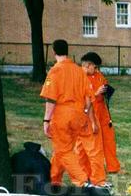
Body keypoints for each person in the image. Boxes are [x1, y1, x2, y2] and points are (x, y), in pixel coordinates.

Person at [40, 39, 106, 187]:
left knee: (64, 151)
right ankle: (54, 180)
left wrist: (46, 121)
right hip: (79, 116)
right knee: (61, 149)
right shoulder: (78, 70)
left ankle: (83, 181)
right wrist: (89, 118)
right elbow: (88, 98)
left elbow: (50, 99)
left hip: (63, 115)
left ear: (54, 52)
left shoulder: (55, 70)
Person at [78, 52, 121, 176]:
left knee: (109, 140)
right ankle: (86, 171)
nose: (97, 70)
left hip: (102, 112)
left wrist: (106, 92)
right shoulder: (78, 78)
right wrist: (96, 93)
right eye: (95, 67)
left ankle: (112, 167)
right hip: (88, 114)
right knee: (89, 145)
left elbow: (103, 86)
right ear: (88, 65)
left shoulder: (98, 75)